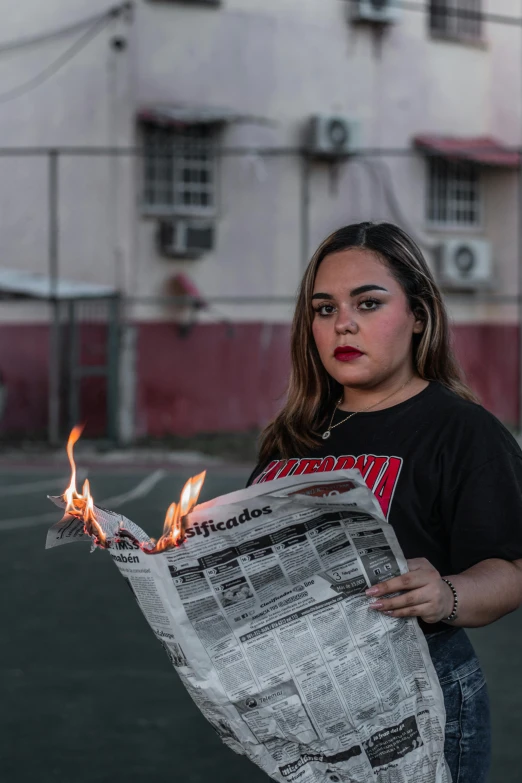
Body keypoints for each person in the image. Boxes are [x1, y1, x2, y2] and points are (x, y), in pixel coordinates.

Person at [248, 221, 522, 783]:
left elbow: (512, 568)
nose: (343, 323)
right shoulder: (293, 437)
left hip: (418, 702)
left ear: (418, 316)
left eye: (368, 303)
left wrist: (446, 593)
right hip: (306, 714)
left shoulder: (462, 431)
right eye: (325, 309)